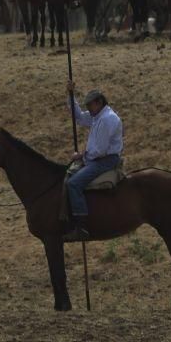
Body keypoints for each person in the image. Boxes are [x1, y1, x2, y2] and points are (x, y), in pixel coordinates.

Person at [64, 80, 124, 242]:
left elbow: (100, 150)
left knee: (73, 184)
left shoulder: (106, 119)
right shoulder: (98, 116)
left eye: (90, 105)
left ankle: (81, 226)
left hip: (104, 160)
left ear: (99, 102)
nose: (88, 109)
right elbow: (79, 118)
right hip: (96, 158)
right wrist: (71, 95)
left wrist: (81, 156)